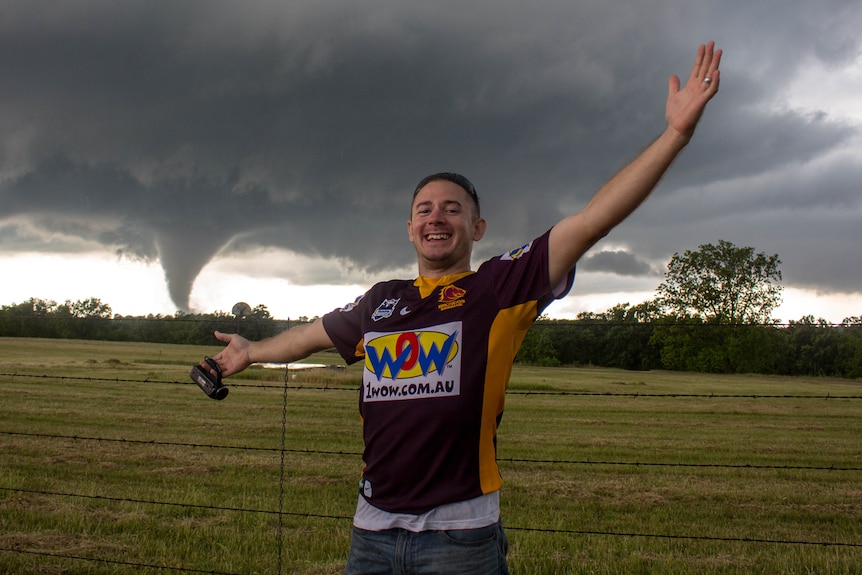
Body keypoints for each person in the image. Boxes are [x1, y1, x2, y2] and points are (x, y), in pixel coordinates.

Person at [200, 42, 722, 575]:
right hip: (372, 530)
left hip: (460, 537)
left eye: (453, 209)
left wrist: (675, 134)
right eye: (424, 209)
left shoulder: (498, 287)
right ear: (409, 229)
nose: (436, 218)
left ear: (477, 229)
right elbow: (313, 335)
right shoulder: (383, 299)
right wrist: (253, 351)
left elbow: (592, 221)